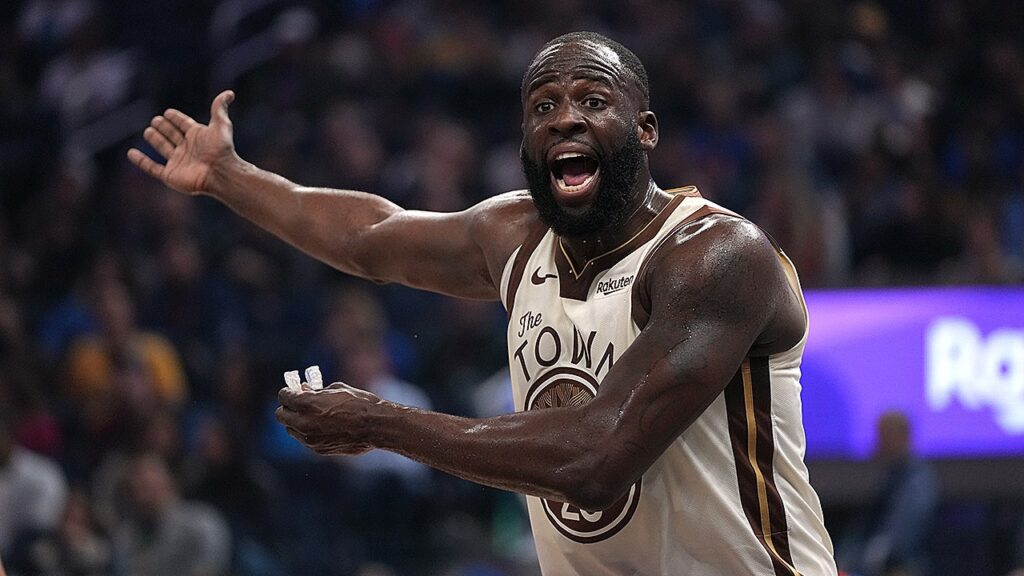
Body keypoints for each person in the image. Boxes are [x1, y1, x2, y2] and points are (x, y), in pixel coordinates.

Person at [129, 31, 837, 575]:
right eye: (543, 107)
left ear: (646, 130)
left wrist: (379, 422)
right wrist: (228, 176)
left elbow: (596, 459)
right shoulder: (515, 235)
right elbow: (369, 236)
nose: (564, 119)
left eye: (593, 101)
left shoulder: (716, 256)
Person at [836, 411, 937, 576]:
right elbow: (862, 529)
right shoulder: (889, 477)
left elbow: (902, 538)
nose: (877, 444)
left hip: (902, 567)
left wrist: (863, 561)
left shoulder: (917, 480)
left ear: (901, 436)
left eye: (883, 437)